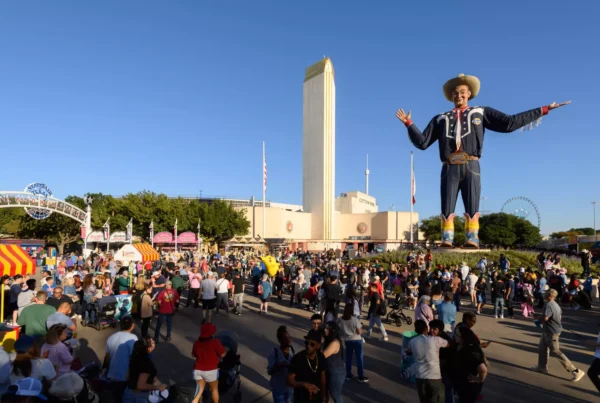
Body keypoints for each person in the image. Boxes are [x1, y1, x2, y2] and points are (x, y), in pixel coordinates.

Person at [396, 73, 569, 247]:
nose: (459, 95)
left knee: (473, 202)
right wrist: (409, 123)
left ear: (469, 93)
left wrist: (543, 110)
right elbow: (423, 142)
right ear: (451, 97)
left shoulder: (480, 112)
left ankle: (472, 237)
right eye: (455, 93)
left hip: (471, 164)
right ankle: (446, 238)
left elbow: (509, 122)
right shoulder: (440, 118)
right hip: (449, 167)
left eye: (462, 92)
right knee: (446, 204)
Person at [531, 289, 585, 381]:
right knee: (542, 348)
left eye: (546, 293)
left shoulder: (548, 305)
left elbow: (545, 318)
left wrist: (537, 318)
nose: (544, 294)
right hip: (549, 330)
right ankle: (542, 367)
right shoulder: (555, 304)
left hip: (551, 332)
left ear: (549, 296)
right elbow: (557, 317)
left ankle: (575, 371)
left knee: (556, 351)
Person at [406, 319, 449, 403]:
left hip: (420, 377)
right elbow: (449, 344)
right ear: (427, 328)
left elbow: (408, 352)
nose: (432, 330)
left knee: (424, 400)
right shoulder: (436, 340)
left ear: (415, 330)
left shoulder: (412, 341)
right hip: (434, 377)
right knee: (435, 400)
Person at [287, 329, 328, 403]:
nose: (308, 346)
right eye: (306, 343)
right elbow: (289, 381)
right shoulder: (297, 358)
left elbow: (323, 378)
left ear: (318, 346)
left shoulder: (321, 357)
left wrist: (324, 395)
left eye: (312, 344)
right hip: (301, 399)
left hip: (317, 398)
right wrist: (304, 384)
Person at [123, 337, 168, 402]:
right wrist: (158, 387)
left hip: (129, 392)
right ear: (149, 348)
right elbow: (140, 385)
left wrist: (154, 379)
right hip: (140, 396)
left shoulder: (134, 356)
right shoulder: (146, 363)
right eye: (153, 342)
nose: (155, 343)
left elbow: (127, 376)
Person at [104, 316, 138, 403]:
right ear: (132, 325)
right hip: (125, 376)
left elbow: (107, 357)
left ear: (120, 325)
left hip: (112, 375)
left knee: (117, 398)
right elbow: (134, 358)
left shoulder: (111, 337)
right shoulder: (133, 338)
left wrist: (105, 371)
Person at [191, 323, 227, 403]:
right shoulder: (215, 342)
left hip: (198, 370)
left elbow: (193, 356)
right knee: (214, 390)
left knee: (198, 393)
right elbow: (223, 354)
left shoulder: (196, 343)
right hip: (211, 371)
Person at [339, 302, 368, 383]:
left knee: (348, 358)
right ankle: (360, 376)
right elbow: (359, 332)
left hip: (347, 340)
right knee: (359, 358)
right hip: (356, 340)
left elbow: (339, 329)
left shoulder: (341, 319)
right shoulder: (355, 319)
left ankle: (348, 374)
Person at [268, 326, 295, 403]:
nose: (289, 340)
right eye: (285, 338)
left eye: (289, 337)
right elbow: (270, 371)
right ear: (280, 340)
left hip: (289, 388)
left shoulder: (292, 351)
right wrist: (279, 366)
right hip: (278, 389)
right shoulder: (275, 353)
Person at [322, 321, 346, 402]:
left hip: (336, 373)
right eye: (325, 328)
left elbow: (322, 356)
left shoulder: (335, 343)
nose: (325, 330)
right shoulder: (328, 340)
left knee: (336, 395)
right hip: (331, 371)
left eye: (327, 329)